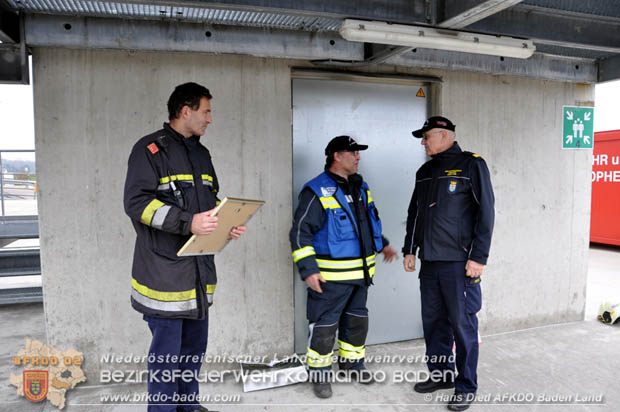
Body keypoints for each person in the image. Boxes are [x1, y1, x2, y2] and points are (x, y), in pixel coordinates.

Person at [124, 82, 246, 412]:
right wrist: (188, 222)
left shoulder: (201, 154)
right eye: (206, 111)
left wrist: (226, 222)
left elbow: (209, 202)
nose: (210, 119)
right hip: (164, 276)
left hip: (197, 273)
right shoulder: (150, 150)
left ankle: (188, 408)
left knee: (193, 353)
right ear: (185, 111)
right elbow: (137, 204)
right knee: (166, 360)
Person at [290, 135, 397, 399]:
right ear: (336, 156)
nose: (358, 156)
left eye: (358, 152)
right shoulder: (315, 190)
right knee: (325, 326)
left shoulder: (362, 188)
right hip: (330, 278)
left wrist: (381, 244)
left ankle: (352, 364)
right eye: (353, 152)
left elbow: (366, 224)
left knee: (357, 322)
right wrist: (308, 269)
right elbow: (300, 233)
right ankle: (320, 374)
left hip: (361, 275)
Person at [403, 116, 495, 411]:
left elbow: (486, 213)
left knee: (462, 325)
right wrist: (410, 249)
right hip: (430, 262)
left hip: (459, 264)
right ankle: (441, 375)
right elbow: (415, 213)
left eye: (426, 136)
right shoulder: (425, 171)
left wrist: (478, 257)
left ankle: (466, 385)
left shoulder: (471, 165)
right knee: (433, 323)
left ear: (444, 136)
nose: (423, 141)